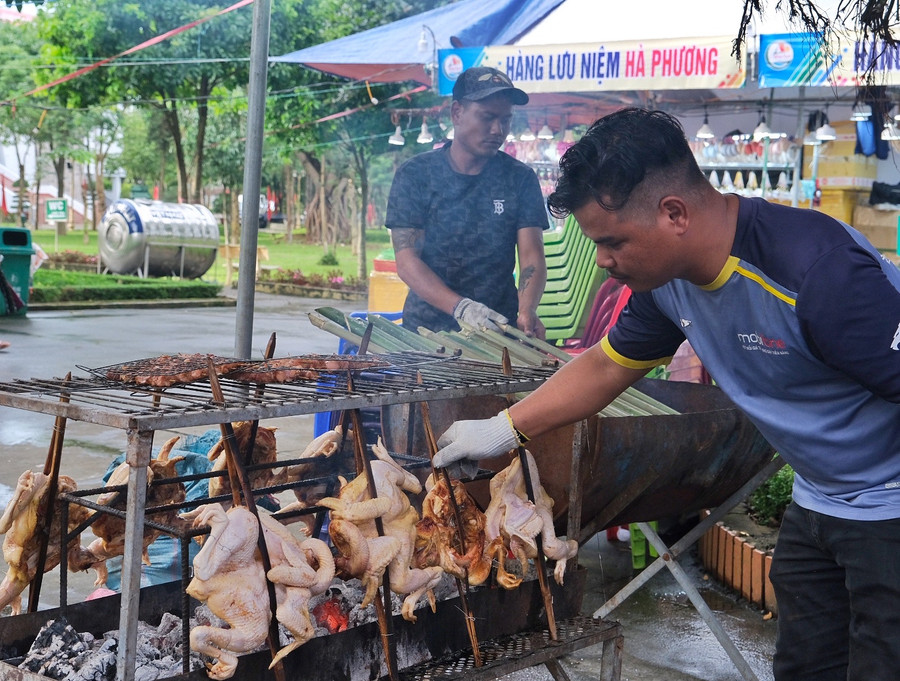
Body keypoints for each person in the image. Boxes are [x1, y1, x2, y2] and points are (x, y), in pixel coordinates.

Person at [433, 107, 900, 681]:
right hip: (819, 498)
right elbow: (605, 366)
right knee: (805, 667)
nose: (603, 262)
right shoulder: (667, 285)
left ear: (673, 213)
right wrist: (501, 430)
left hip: (891, 503)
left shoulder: (817, 272)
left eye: (612, 242)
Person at [385, 66, 548, 337]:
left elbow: (532, 256)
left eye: (505, 120)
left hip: (498, 330)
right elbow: (407, 261)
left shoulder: (520, 178)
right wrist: (461, 308)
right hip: (427, 333)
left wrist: (527, 309)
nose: (498, 130)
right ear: (457, 113)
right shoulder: (415, 175)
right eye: (487, 117)